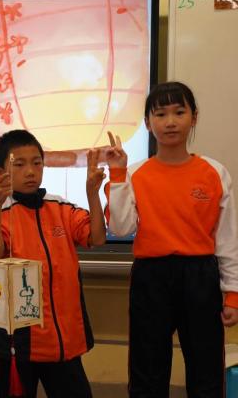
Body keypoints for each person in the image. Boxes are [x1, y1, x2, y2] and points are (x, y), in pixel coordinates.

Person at [105, 81, 238, 397]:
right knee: (147, 370)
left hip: (200, 276)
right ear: (148, 123)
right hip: (151, 277)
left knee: (206, 368)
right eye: (160, 114)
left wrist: (233, 294)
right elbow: (121, 229)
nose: (170, 122)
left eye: (179, 112)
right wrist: (117, 175)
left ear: (194, 117)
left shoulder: (215, 172)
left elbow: (227, 238)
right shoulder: (134, 173)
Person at [0, 129, 106, 398]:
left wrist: (93, 194)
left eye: (37, 163)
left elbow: (97, 237)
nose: (31, 171)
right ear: (0, 172)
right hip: (17, 342)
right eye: (19, 165)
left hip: (62, 339)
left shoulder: (60, 207)